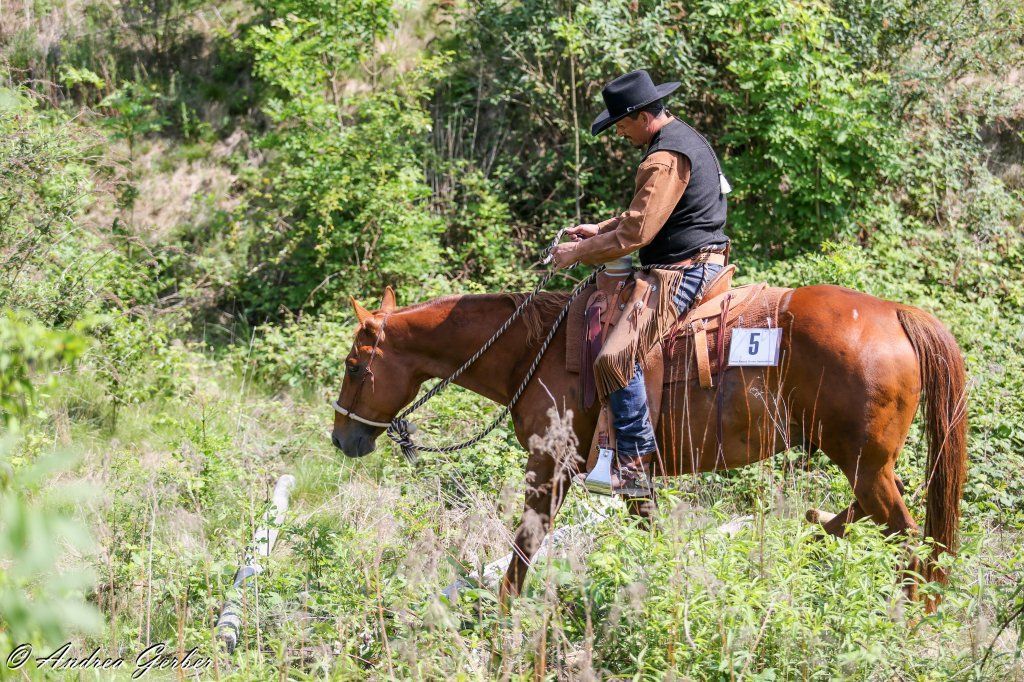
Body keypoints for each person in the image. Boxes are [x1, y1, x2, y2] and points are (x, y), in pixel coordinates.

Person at [550, 69, 730, 497]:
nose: (621, 134)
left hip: (685, 270)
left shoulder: (661, 158)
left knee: (614, 358)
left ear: (640, 116)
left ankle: (632, 460)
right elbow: (645, 216)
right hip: (695, 259)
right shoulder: (684, 137)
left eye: (621, 125)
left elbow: (636, 236)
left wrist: (575, 254)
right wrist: (601, 228)